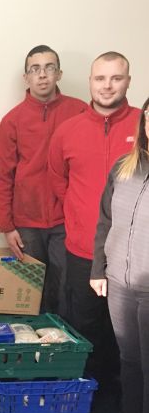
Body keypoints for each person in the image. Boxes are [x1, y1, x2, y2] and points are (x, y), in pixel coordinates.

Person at [48, 52, 140, 392]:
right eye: (100, 78)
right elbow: (60, 182)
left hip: (130, 256)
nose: (107, 85)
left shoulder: (142, 126)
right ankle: (88, 394)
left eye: (116, 78)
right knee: (84, 325)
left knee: (127, 332)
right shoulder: (67, 131)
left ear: (128, 81)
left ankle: (126, 403)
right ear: (90, 81)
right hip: (82, 251)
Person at [0, 45, 86, 316]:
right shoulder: (12, 121)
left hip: (66, 219)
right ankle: (39, 349)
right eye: (35, 69)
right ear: (26, 77)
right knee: (32, 292)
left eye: (49, 68)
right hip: (26, 223)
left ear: (59, 74)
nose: (42, 75)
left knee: (68, 287)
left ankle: (69, 348)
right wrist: (7, 226)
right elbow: (1, 177)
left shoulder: (80, 112)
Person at [89, 99, 149, 413]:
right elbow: (104, 221)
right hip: (119, 280)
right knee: (129, 359)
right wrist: (99, 268)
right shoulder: (123, 168)